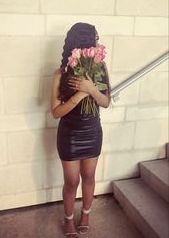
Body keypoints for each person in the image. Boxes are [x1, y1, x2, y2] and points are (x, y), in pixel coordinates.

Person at [51, 23, 111, 237]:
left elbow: (105, 102)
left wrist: (92, 89)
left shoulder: (100, 69)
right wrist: (79, 95)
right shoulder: (60, 74)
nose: (97, 42)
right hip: (69, 136)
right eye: (94, 38)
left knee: (89, 176)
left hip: (92, 131)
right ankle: (68, 219)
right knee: (72, 181)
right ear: (82, 43)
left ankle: (85, 214)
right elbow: (56, 112)